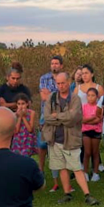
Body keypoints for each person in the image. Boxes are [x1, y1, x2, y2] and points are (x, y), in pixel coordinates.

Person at [42, 72, 100, 206]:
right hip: (55, 139)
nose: (60, 86)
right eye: (58, 83)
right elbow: (47, 117)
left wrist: (57, 116)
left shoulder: (75, 99)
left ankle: (87, 195)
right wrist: (63, 117)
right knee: (61, 167)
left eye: (63, 83)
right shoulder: (51, 97)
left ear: (68, 82)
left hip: (71, 139)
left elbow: (74, 118)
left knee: (76, 168)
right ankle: (67, 193)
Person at [39, 56, 64, 191]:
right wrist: (55, 95)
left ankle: (60, 176)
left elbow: (64, 97)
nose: (54, 65)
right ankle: (41, 172)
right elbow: (44, 97)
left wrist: (51, 94)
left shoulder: (64, 79)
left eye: (56, 63)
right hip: (46, 114)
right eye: (52, 63)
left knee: (57, 144)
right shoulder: (44, 78)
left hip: (60, 115)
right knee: (42, 144)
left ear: (61, 65)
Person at [81, 88, 103, 180]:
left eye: (93, 95)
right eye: (89, 95)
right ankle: (85, 172)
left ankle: (95, 172)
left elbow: (99, 119)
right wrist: (92, 118)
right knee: (87, 152)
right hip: (86, 131)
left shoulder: (99, 107)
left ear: (97, 97)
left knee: (95, 152)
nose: (90, 97)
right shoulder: (84, 107)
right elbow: (82, 120)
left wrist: (88, 120)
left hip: (96, 131)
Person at [11, 94, 38, 159]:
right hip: (18, 139)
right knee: (16, 157)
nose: (21, 106)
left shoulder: (31, 113)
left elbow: (30, 129)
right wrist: (19, 117)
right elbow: (16, 130)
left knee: (26, 157)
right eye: (19, 104)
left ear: (27, 104)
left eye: (23, 104)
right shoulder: (14, 115)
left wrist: (23, 117)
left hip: (28, 138)